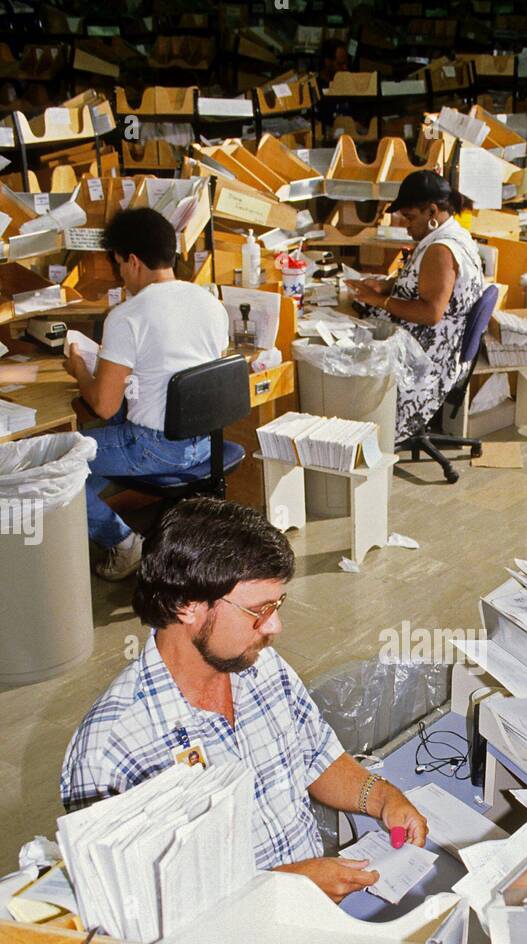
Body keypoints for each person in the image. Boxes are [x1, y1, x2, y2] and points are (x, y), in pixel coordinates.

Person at [60, 498, 428, 904]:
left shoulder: (259, 665)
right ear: (186, 606)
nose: (274, 625)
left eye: (277, 605)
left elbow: (317, 759)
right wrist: (285, 884)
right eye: (258, 610)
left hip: (316, 910)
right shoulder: (109, 750)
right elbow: (136, 909)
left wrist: (382, 797)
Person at [64, 206, 230, 582]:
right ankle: (96, 517)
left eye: (119, 265)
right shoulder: (209, 303)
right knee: (88, 457)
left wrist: (81, 372)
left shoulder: (127, 316)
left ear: (132, 260)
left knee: (59, 464)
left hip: (156, 448)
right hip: (207, 443)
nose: (121, 276)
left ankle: (123, 543)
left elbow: (103, 405)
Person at [350, 171, 484, 445]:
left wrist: (379, 301)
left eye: (411, 218)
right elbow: (431, 287)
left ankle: (361, 440)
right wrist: (387, 286)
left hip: (427, 360)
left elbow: (430, 314)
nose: (407, 227)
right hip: (436, 348)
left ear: (432, 211)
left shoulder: (440, 250)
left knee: (343, 357)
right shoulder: (455, 234)